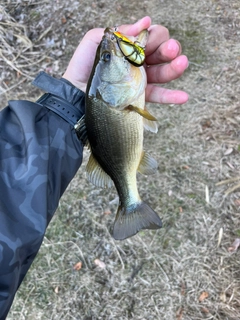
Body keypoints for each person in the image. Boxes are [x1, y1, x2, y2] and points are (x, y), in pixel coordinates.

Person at [0, 16, 188, 319]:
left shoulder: (114, 91)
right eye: (108, 57)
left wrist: (70, 97)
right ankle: (132, 203)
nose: (110, 51)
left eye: (107, 56)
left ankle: (130, 202)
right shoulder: (115, 93)